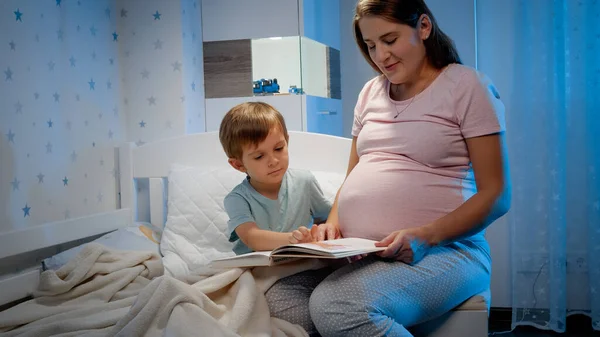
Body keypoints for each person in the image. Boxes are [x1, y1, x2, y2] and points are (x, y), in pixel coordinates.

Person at [264, 0, 512, 336]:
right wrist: (333, 227)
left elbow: (497, 194)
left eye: (389, 40)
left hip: (448, 252)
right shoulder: (370, 93)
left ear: (423, 27)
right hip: (366, 253)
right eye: (370, 45)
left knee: (336, 304)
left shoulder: (467, 86)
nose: (380, 56)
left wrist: (426, 235)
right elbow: (353, 178)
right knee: (280, 296)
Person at [219, 102, 332, 255]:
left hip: (301, 261)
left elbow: (329, 218)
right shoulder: (237, 199)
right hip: (257, 268)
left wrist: (319, 233)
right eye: (259, 156)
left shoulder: (304, 181)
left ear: (287, 142)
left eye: (279, 148)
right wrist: (293, 240)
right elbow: (252, 237)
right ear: (238, 165)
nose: (273, 161)